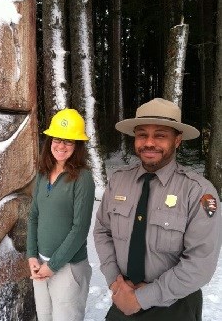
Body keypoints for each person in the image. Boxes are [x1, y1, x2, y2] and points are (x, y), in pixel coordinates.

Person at [93, 98, 221, 321]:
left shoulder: (198, 192)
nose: (149, 142)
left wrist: (143, 297)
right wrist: (115, 280)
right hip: (123, 297)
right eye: (142, 134)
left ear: (177, 140)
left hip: (175, 306)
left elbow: (200, 263)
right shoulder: (118, 182)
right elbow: (103, 231)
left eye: (160, 135)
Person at [26, 108, 95, 321]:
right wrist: (31, 256)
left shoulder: (82, 178)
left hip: (68, 268)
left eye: (69, 141)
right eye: (57, 139)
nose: (61, 146)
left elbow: (79, 229)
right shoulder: (43, 173)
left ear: (78, 146)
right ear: (49, 141)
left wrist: (53, 266)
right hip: (40, 265)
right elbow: (34, 215)